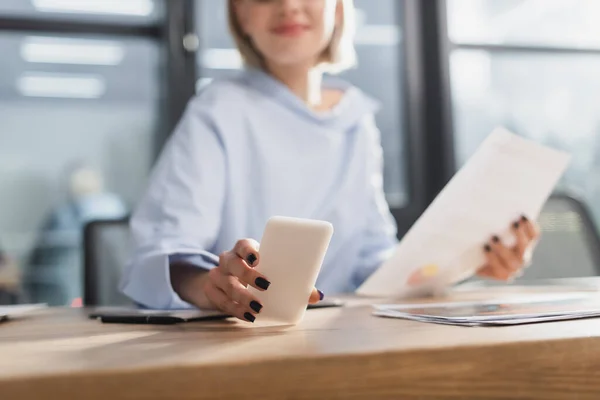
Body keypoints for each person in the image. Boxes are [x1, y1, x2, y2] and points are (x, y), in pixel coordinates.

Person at [121, 0, 539, 322]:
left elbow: (373, 258)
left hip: (341, 331)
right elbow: (165, 253)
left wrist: (461, 260)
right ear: (240, 14)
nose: (287, 5)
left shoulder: (355, 118)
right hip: (246, 337)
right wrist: (213, 286)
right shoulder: (217, 111)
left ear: (337, 8)